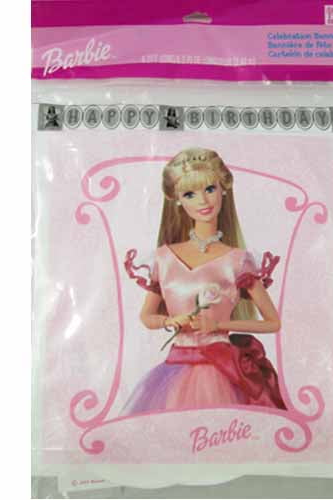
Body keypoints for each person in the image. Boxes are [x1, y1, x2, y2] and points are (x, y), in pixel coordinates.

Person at [122, 148, 286, 414]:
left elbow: (272, 322)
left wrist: (218, 325)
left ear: (223, 190)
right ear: (177, 201)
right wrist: (169, 321)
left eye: (210, 189)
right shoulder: (164, 258)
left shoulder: (237, 261)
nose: (203, 200)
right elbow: (146, 316)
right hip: (175, 368)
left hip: (221, 371)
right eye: (190, 194)